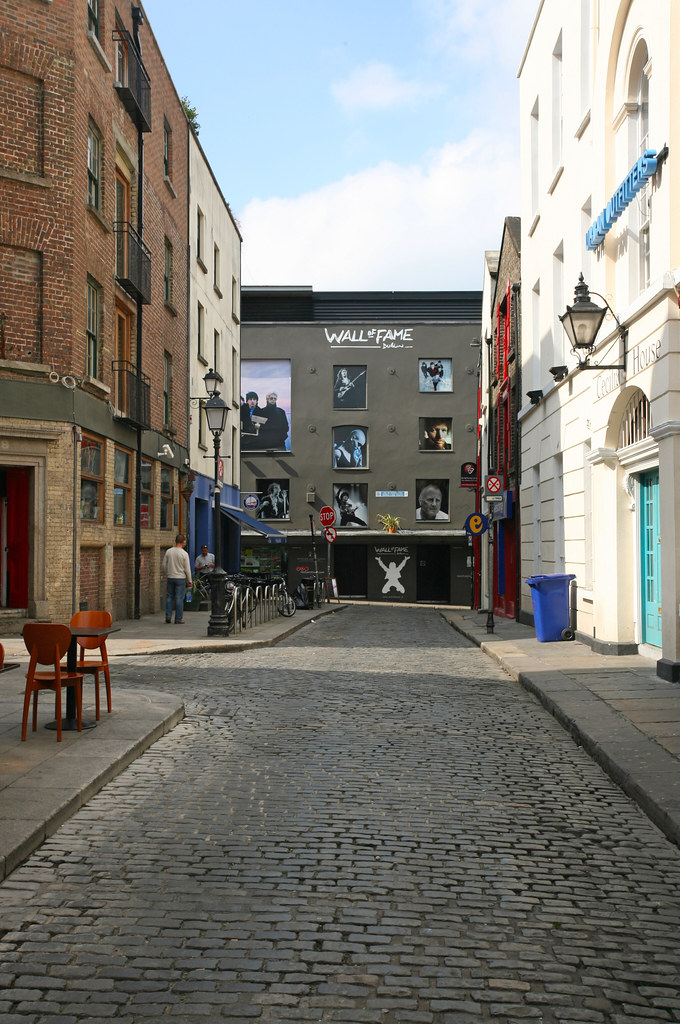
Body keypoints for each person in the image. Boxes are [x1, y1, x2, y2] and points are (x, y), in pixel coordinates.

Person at [162, 533, 192, 624]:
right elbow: (187, 569)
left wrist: (167, 573)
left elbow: (163, 565)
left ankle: (168, 615)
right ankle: (178, 619)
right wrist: (190, 580)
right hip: (180, 578)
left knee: (169, 597)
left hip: (170, 577)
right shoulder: (184, 554)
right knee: (179, 598)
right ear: (183, 542)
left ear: (175, 541)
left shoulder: (169, 551)